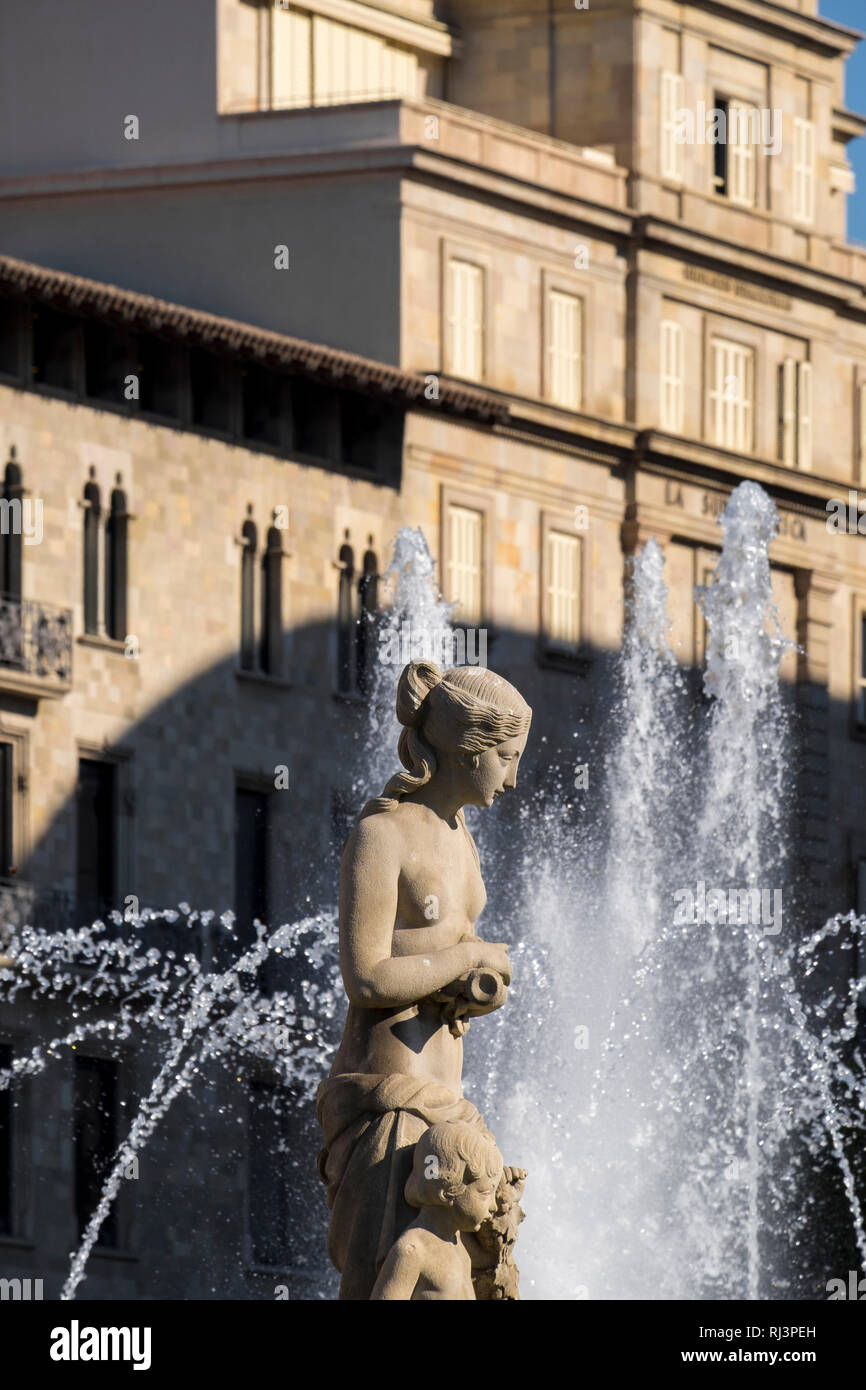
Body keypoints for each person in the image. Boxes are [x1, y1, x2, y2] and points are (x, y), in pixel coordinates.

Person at [317, 658, 532, 1299]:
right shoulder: (380, 836)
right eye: (507, 756)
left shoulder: (460, 838)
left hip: (451, 1109)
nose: (514, 778)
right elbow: (367, 977)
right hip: (388, 1103)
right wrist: (467, 959)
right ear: (468, 750)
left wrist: (469, 985)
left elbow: (429, 957)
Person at [370, 1122, 503, 1300]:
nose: (493, 1206)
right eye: (485, 1193)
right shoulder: (412, 1251)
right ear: (448, 1189)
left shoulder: (460, 1247)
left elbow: (492, 1261)